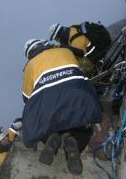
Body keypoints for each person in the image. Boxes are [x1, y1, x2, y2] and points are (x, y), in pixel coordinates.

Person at [22, 39, 102, 175]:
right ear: (44, 45)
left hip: (50, 106)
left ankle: (51, 138)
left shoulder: (29, 67)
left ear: (30, 54)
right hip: (78, 98)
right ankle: (74, 141)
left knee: (47, 124)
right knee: (82, 127)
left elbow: (27, 99)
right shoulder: (65, 51)